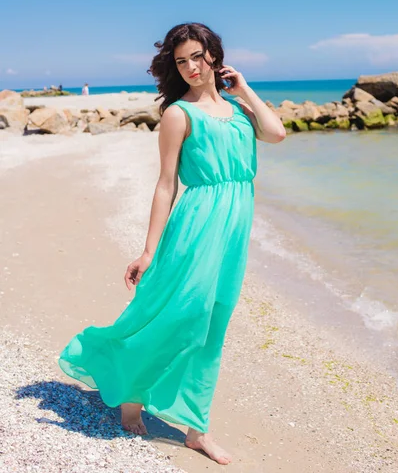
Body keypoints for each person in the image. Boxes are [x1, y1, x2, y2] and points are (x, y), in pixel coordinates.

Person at [58, 23, 286, 465]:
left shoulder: (239, 111)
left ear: (214, 56)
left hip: (235, 227)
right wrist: (148, 251)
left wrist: (245, 90)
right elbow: (166, 185)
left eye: (198, 56)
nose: (190, 67)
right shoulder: (179, 114)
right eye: (181, 61)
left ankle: (197, 430)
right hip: (197, 224)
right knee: (180, 315)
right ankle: (131, 395)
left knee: (213, 327)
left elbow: (276, 133)